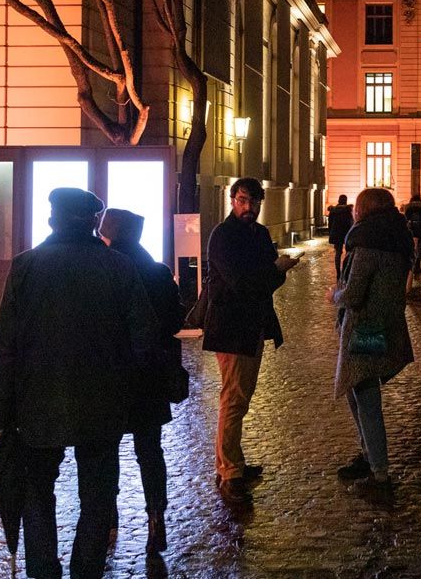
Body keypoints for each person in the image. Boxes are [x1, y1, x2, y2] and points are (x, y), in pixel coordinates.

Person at [0, 188, 154, 579]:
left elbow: (5, 345)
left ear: (52, 219)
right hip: (102, 401)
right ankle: (86, 569)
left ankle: (44, 568)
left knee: (37, 489)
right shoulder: (118, 267)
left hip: (36, 401)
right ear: (94, 222)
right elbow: (142, 340)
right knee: (97, 492)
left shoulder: (26, 266)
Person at [202, 178, 301, 506]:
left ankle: (233, 462)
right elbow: (241, 283)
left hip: (253, 324)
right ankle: (229, 472)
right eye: (243, 200)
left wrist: (277, 270)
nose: (249, 207)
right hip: (231, 327)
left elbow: (264, 280)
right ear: (232, 200)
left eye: (254, 202)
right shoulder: (223, 235)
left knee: (241, 397)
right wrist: (276, 269)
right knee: (233, 398)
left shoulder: (258, 233)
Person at [98, 208, 183, 556]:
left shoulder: (102, 272)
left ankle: (108, 516)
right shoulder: (157, 272)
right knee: (150, 451)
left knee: (106, 450)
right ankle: (155, 517)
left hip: (110, 376)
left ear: (109, 237)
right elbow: (175, 323)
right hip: (149, 375)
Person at [329, 188, 415, 498]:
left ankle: (379, 472)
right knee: (358, 391)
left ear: (364, 210)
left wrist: (334, 295)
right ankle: (368, 455)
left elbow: (353, 295)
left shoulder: (366, 245)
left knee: (366, 399)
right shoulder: (399, 241)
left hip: (365, 329)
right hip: (385, 324)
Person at [402, 194, 421, 278]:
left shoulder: (408, 208)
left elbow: (405, 221)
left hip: (411, 233)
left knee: (412, 249)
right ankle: (417, 264)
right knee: (420, 249)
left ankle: (412, 267)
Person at [328, 195, 354, 276]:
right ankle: (345, 270)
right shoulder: (348, 210)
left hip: (336, 233)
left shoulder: (333, 210)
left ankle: (338, 272)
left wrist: (331, 233)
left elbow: (330, 223)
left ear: (338, 200)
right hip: (346, 233)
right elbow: (351, 222)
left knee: (338, 253)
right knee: (348, 252)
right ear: (345, 201)